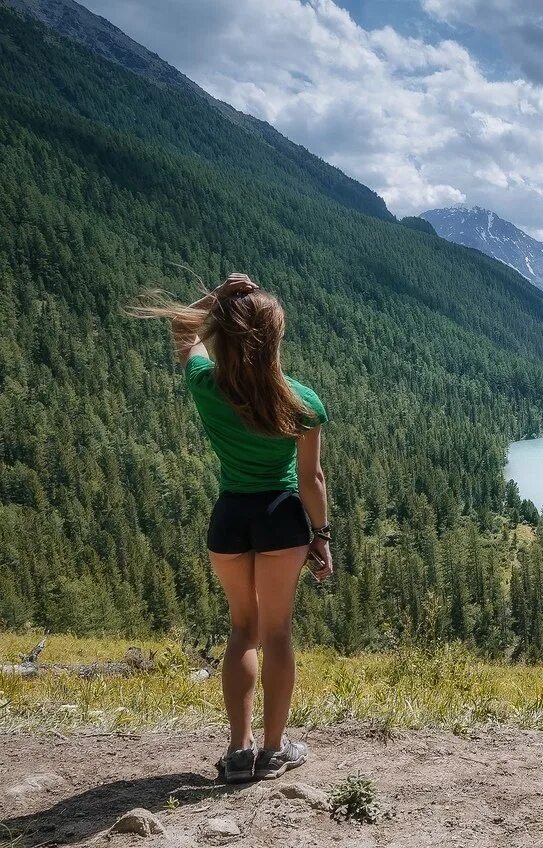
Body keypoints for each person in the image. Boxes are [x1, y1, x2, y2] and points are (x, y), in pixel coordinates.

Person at [131, 273, 333, 783]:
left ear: (229, 334)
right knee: (278, 633)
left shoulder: (207, 385)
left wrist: (218, 295)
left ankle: (237, 753)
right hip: (282, 519)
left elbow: (183, 326)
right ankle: (273, 750)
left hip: (230, 519)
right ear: (274, 339)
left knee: (242, 630)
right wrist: (322, 536)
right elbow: (311, 478)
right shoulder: (301, 400)